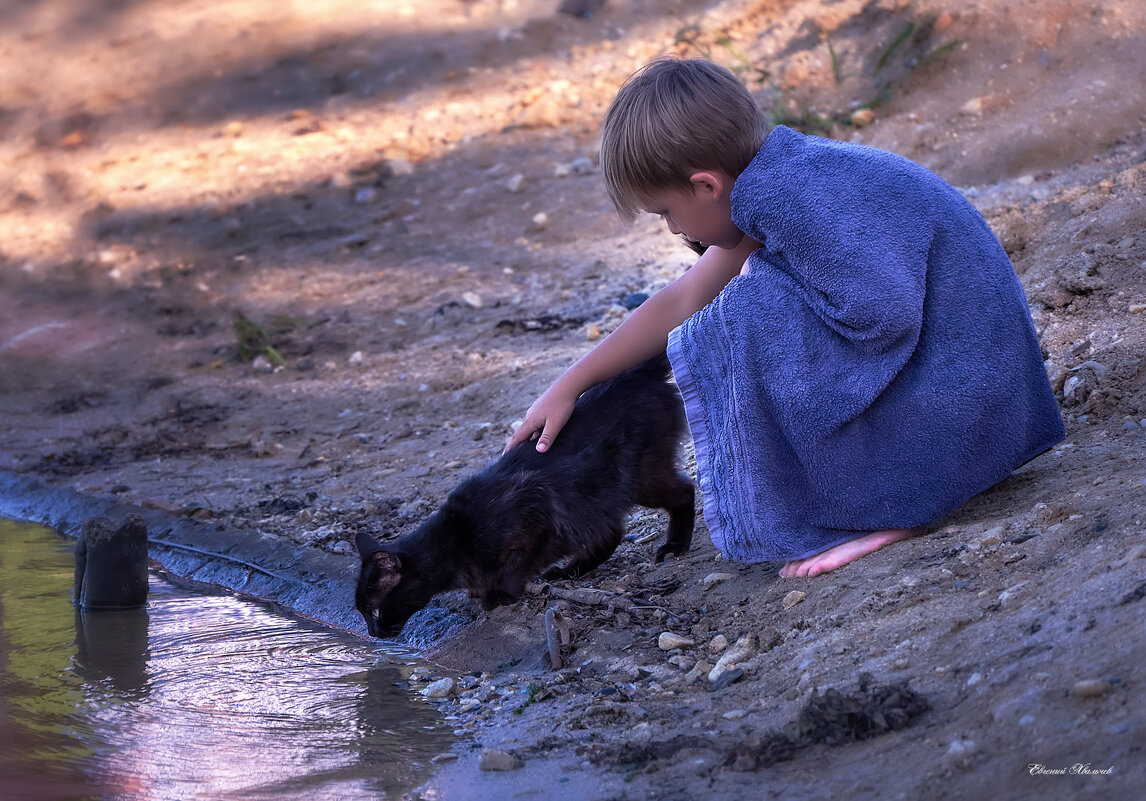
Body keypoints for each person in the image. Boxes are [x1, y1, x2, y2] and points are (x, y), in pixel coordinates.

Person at [506, 57, 1064, 578]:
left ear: (706, 185)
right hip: (987, 397)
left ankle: (898, 506)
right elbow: (682, 298)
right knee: (736, 305)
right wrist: (570, 385)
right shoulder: (776, 180)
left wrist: (750, 318)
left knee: (739, 317)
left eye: (667, 212)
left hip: (967, 404)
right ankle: (894, 494)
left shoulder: (785, 197)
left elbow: (883, 316)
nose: (674, 231)